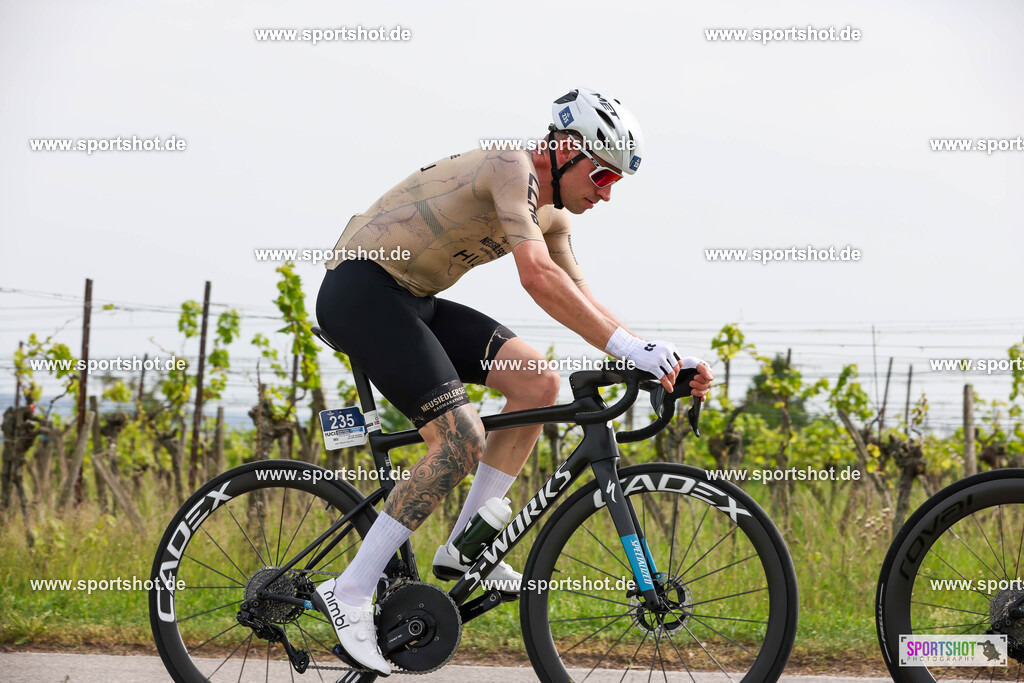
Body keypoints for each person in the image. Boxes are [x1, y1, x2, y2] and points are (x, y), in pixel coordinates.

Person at [313, 88, 714, 675]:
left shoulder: (550, 211)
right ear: (567, 148)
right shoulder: (510, 165)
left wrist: (657, 359)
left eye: (617, 184)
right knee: (458, 440)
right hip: (362, 291)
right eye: (603, 175)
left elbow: (578, 293)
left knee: (538, 384)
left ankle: (463, 548)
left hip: (413, 300)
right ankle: (347, 591)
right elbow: (535, 276)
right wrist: (631, 349)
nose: (606, 192)